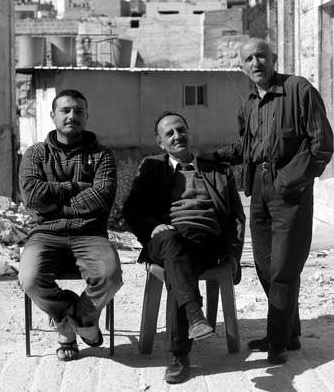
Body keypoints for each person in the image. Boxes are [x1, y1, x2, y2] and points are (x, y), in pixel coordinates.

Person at [203, 37, 334, 365]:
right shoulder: (248, 104)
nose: (256, 63)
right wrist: (209, 157)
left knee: (283, 270)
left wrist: (290, 182)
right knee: (263, 263)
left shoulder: (299, 90)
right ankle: (289, 333)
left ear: (272, 57)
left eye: (261, 56)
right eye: (248, 59)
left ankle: (277, 341)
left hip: (290, 189)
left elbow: (321, 146)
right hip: (258, 189)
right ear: (242, 67)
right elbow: (244, 148)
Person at [123, 111, 245, 384]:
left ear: (190, 133)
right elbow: (131, 209)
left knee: (181, 260)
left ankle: (180, 350)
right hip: (164, 238)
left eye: (181, 130)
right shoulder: (153, 167)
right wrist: (153, 227)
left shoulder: (219, 170)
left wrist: (232, 256)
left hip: (204, 243)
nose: (177, 136)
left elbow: (237, 216)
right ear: (160, 143)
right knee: (173, 243)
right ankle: (192, 316)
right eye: (169, 134)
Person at [18, 89, 122, 361]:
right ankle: (70, 318)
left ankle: (78, 320)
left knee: (110, 277)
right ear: (53, 115)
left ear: (86, 116)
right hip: (45, 234)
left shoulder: (102, 155)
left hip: (90, 234)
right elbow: (31, 195)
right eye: (65, 110)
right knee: (29, 279)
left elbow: (102, 197)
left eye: (78, 111)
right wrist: (75, 186)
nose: (71, 116)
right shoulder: (36, 154)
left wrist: (55, 205)